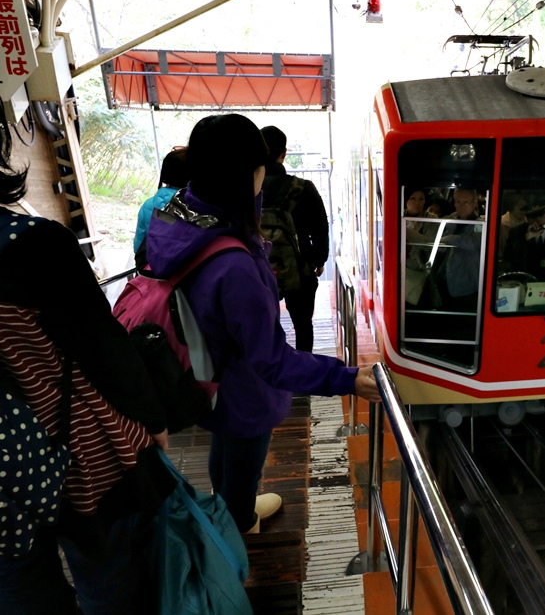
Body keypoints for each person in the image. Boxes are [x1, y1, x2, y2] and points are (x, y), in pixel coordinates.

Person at [146, 114, 378, 535]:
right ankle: (238, 534)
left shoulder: (176, 219)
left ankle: (235, 506)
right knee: (242, 466)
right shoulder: (232, 263)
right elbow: (270, 360)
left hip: (203, 376)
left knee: (225, 452)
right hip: (240, 387)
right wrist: (347, 378)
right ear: (250, 172)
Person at [0, 151, 174, 613]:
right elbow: (104, 349)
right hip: (76, 447)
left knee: (21, 588)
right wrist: (152, 417)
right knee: (108, 568)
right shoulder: (31, 245)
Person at [260, 125, 329, 353]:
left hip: (255, 268)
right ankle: (303, 376)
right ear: (284, 153)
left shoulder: (244, 189)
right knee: (302, 324)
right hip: (298, 268)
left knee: (261, 324)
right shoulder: (303, 188)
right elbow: (320, 227)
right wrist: (318, 260)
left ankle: (268, 374)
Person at [134, 146, 189, 269]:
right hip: (178, 274)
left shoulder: (148, 205)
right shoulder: (192, 208)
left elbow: (138, 245)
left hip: (149, 269)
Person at [438, 187, 483, 311]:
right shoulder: (451, 218)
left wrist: (449, 238)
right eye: (458, 202)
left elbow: (473, 243)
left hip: (467, 283)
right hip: (446, 278)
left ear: (474, 203)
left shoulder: (480, 223)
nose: (461, 206)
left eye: (465, 202)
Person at [504, 205, 545, 282]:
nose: (538, 222)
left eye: (541, 217)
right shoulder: (517, 232)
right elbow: (510, 258)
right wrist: (527, 239)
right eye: (533, 219)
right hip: (524, 277)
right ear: (527, 220)